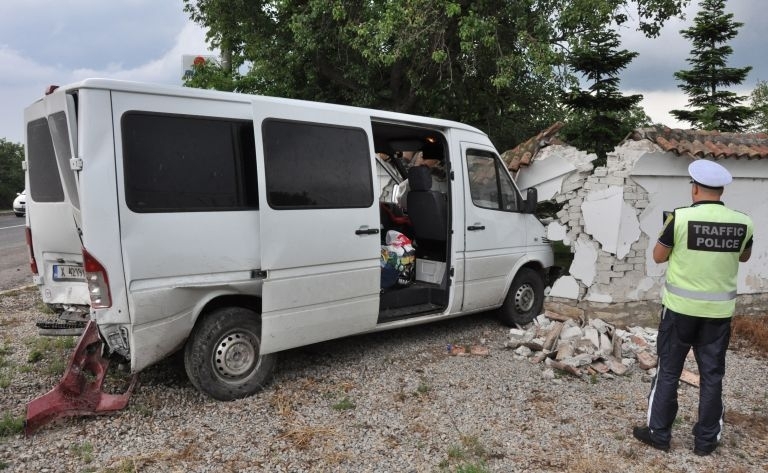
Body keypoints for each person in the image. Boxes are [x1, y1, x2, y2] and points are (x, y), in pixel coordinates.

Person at [633, 159, 754, 456]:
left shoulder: (680, 218)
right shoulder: (743, 222)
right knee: (712, 376)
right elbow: (744, 258)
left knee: (669, 372)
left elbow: (659, 256)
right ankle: (705, 441)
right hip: (718, 317)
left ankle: (659, 434)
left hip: (679, 312)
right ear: (721, 190)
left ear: (695, 189)